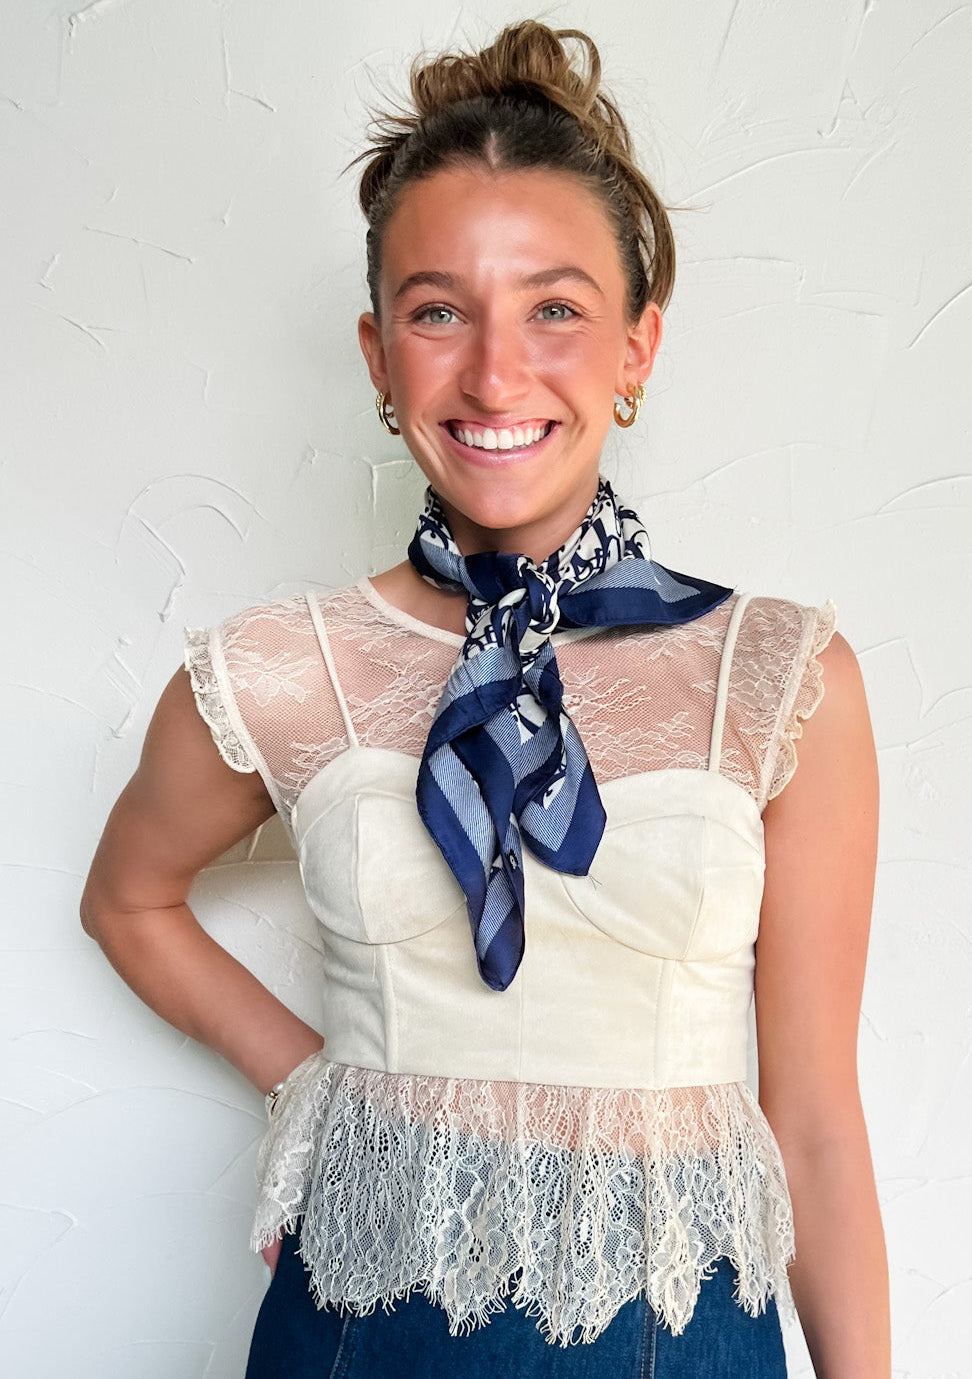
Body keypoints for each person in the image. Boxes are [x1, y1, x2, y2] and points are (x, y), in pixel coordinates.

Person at [80, 20, 889, 1379]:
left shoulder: (779, 678)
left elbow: (809, 1118)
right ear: (377, 354)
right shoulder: (282, 668)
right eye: (438, 309)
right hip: (359, 1338)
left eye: (555, 310)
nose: (496, 374)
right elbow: (125, 898)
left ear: (637, 348)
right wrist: (316, 1088)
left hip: (681, 1343)